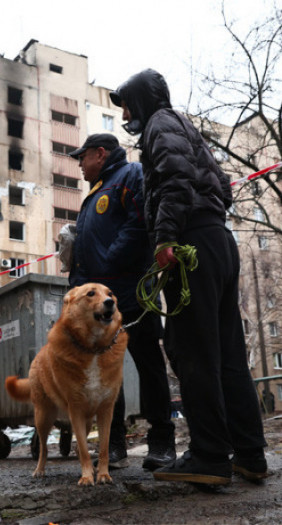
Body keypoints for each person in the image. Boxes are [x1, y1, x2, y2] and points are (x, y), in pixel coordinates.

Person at [110, 69, 268, 485]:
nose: (125, 113)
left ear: (142, 100)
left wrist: (165, 237)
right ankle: (249, 453)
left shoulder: (160, 124)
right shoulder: (185, 126)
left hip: (190, 244)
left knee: (190, 349)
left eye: (126, 104)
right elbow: (223, 186)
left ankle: (210, 455)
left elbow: (176, 179)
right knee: (229, 354)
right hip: (216, 239)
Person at [66, 133, 176, 471]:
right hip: (100, 302)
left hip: (131, 291)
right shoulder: (96, 191)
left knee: (149, 366)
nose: (80, 165)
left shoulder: (130, 175)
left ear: (100, 153)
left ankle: (162, 443)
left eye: (82, 157)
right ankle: (113, 445)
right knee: (105, 372)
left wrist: (110, 260)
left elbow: (139, 222)